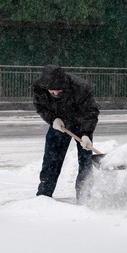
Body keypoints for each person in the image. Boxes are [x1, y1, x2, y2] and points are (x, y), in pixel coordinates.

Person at [32, 64, 100, 203]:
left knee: (85, 160)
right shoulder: (39, 88)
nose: (56, 93)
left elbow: (91, 112)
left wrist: (86, 133)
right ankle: (44, 196)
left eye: (59, 90)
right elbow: (40, 107)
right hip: (60, 125)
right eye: (52, 91)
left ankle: (84, 196)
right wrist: (53, 120)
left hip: (81, 124)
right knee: (51, 159)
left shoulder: (80, 87)